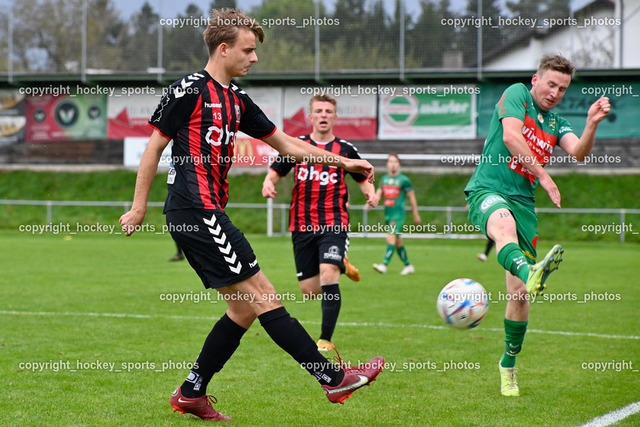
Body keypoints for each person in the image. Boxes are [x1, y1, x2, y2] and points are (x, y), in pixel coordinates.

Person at [119, 8, 384, 422]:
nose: (254, 58)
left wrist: (345, 165)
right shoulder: (188, 90)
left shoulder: (238, 101)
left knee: (243, 309)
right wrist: (139, 207)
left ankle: (191, 393)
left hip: (207, 211)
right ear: (223, 49)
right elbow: (154, 148)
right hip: (195, 209)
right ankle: (333, 379)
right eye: (248, 50)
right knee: (264, 297)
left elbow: (288, 146)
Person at [464, 54, 610, 397]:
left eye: (562, 88)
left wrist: (591, 123)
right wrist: (544, 176)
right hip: (488, 189)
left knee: (517, 294)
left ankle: (508, 366)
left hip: (524, 204)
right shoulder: (516, 94)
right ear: (535, 79)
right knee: (503, 228)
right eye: (551, 84)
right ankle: (532, 271)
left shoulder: (557, 122)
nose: (555, 92)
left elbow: (578, 153)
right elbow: (513, 137)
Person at [262, 94, 378, 352]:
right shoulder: (296, 145)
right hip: (301, 223)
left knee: (328, 273)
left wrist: (370, 193)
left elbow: (363, 179)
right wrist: (268, 184)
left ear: (335, 117)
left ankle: (325, 338)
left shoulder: (345, 150)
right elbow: (274, 173)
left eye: (328, 111)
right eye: (319, 111)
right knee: (310, 290)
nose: (324, 115)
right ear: (310, 117)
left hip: (333, 221)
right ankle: (342, 265)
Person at [372, 153, 421, 275]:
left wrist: (416, 214)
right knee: (397, 242)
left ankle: (384, 265)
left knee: (391, 237)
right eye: (390, 161)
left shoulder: (404, 180)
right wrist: (371, 202)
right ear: (387, 164)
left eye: (395, 162)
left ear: (399, 164)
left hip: (398, 215)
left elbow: (412, 198)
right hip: (388, 215)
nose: (392, 164)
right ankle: (408, 265)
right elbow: (378, 193)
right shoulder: (384, 179)